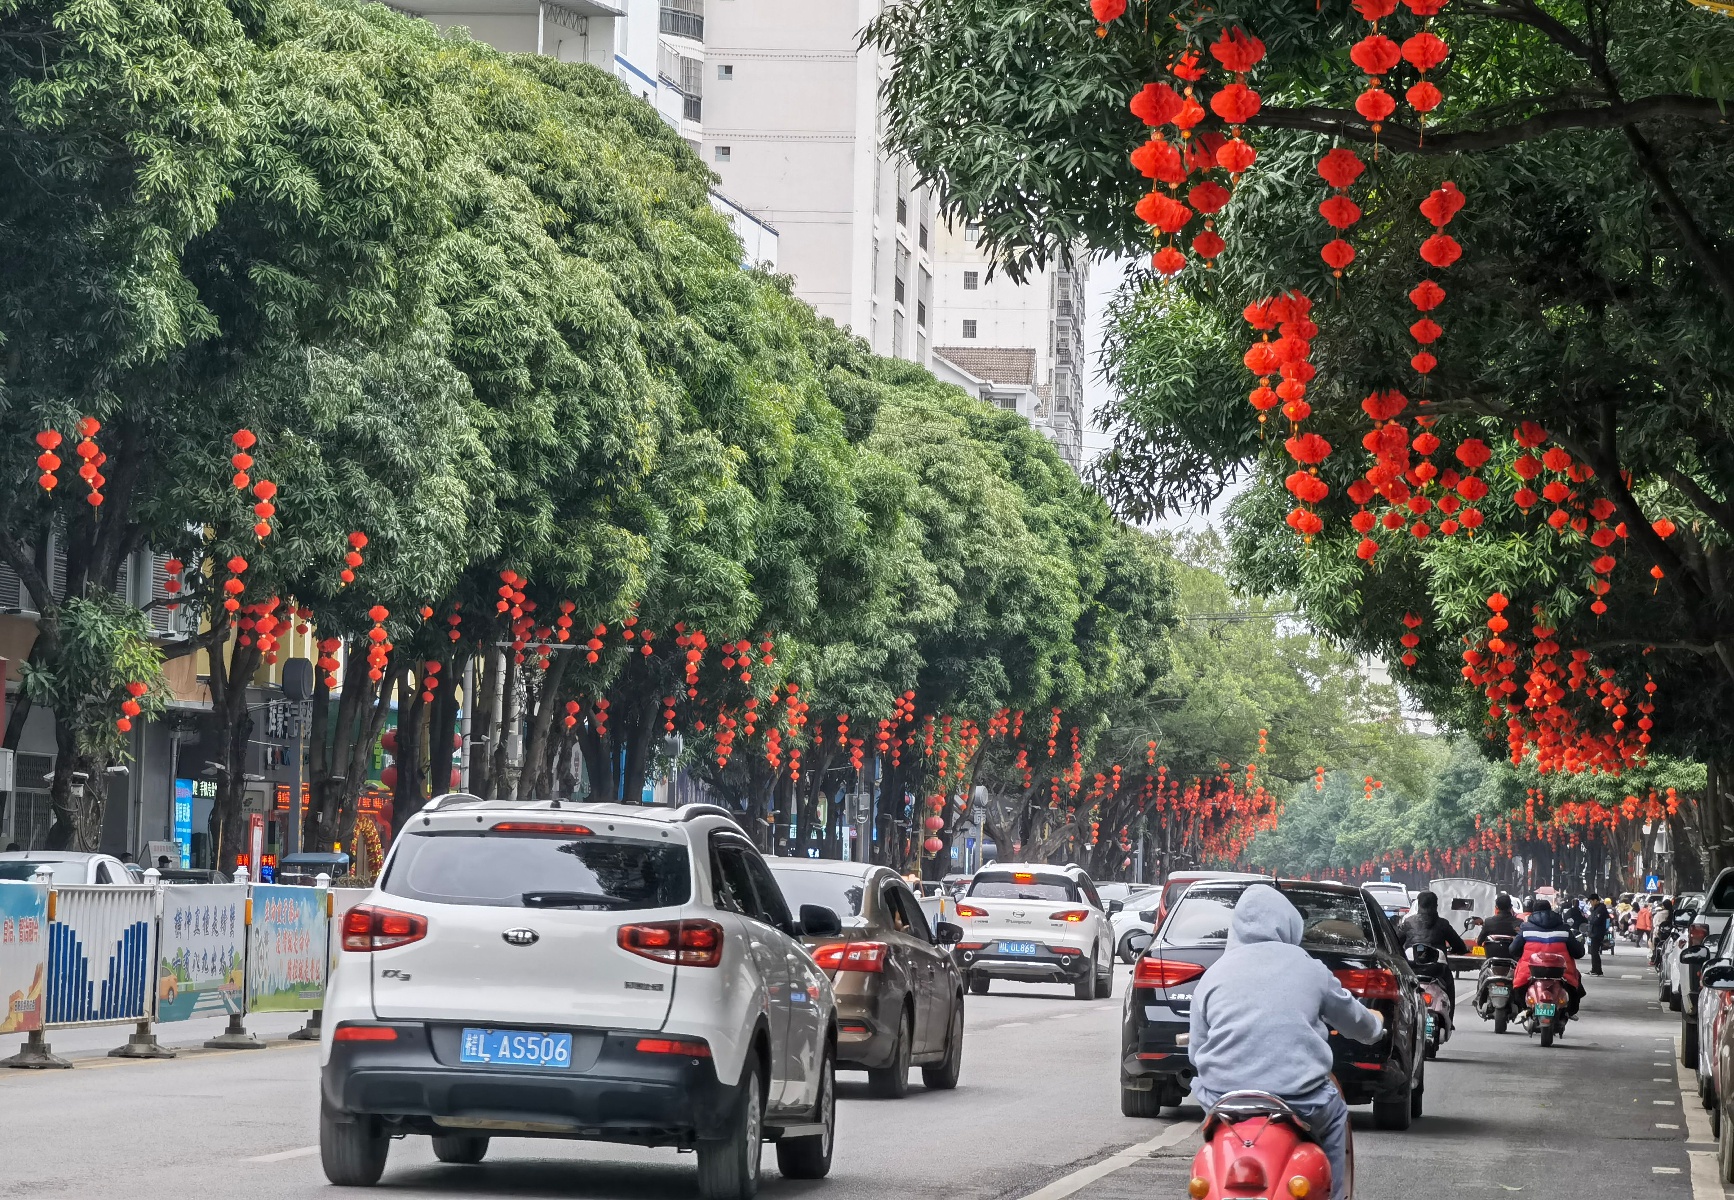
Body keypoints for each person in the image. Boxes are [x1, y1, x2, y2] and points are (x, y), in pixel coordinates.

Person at [1188, 885, 1382, 1200]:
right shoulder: (1309, 967)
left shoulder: (1214, 974)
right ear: (1289, 923)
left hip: (1224, 1100)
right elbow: (1357, 1022)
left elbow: (1196, 1053)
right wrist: (1376, 1026)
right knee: (1335, 1114)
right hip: (1300, 1099)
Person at [1511, 898, 1586, 1014]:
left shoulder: (1526, 928)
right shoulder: (1564, 929)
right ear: (1550, 910)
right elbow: (1578, 952)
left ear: (1533, 911)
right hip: (1561, 971)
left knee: (1518, 989)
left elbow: (1513, 949)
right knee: (1575, 986)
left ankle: (1525, 1011)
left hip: (1530, 971)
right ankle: (1566, 1013)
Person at [1398, 890, 1469, 1009]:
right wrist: (1462, 950)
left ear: (1418, 905)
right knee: (1449, 985)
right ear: (1436, 906)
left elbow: (1396, 943)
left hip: (1412, 967)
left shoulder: (1408, 923)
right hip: (1437, 969)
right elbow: (1459, 946)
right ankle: (1449, 1020)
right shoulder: (1443, 924)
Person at [1586, 893, 1611, 975]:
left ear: (1596, 900)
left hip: (1597, 933)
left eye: (1591, 901)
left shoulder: (1600, 909)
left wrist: (1589, 918)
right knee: (1594, 952)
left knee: (1594, 952)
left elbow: (1595, 921)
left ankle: (1596, 970)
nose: (1591, 903)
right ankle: (1596, 970)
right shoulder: (1595, 908)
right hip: (1594, 932)